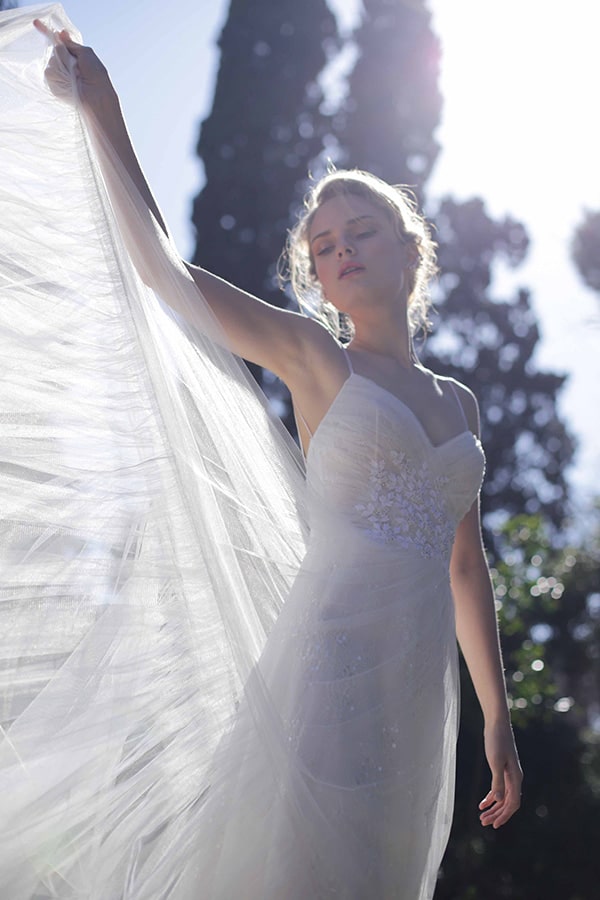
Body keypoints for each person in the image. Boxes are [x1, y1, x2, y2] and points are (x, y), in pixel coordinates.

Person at [2, 14, 521, 899]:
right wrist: (106, 113)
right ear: (318, 279)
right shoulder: (316, 358)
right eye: (324, 246)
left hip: (416, 690)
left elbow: (465, 567)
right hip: (328, 660)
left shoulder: (459, 403)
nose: (342, 249)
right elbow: (166, 277)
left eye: (361, 231)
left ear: (411, 249)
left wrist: (497, 715)